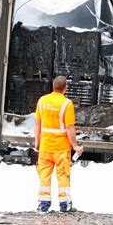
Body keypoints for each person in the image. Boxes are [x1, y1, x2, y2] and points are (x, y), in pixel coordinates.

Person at [34, 76, 84, 213]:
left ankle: (43, 205)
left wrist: (37, 141)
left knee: (44, 175)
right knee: (62, 176)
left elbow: (38, 123)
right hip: (61, 148)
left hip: (45, 146)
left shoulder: (42, 101)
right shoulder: (66, 104)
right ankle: (64, 205)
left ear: (53, 86)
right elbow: (69, 127)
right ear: (65, 88)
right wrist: (75, 145)